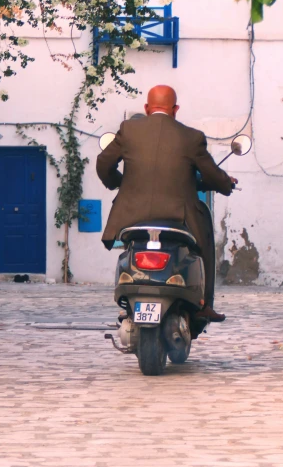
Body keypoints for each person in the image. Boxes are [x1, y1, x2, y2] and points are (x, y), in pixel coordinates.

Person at [96, 85, 237, 322]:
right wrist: (225, 184)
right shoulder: (191, 137)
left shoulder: (128, 130)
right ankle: (204, 304)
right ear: (175, 109)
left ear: (146, 108)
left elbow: (103, 164)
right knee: (205, 245)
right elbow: (211, 174)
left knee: (131, 248)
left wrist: (121, 184)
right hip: (177, 218)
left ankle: (128, 294)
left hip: (133, 216)